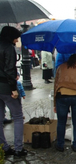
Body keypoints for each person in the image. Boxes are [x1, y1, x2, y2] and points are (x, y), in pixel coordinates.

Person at [0, 26, 28, 158]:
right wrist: (13, 89)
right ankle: (18, 149)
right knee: (17, 117)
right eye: (16, 37)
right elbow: (10, 70)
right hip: (6, 87)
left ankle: (3, 147)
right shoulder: (9, 48)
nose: (17, 40)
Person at [54, 54, 76, 152]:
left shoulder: (61, 67)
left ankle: (60, 145)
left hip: (62, 96)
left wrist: (54, 103)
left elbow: (55, 85)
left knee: (61, 122)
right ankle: (75, 144)